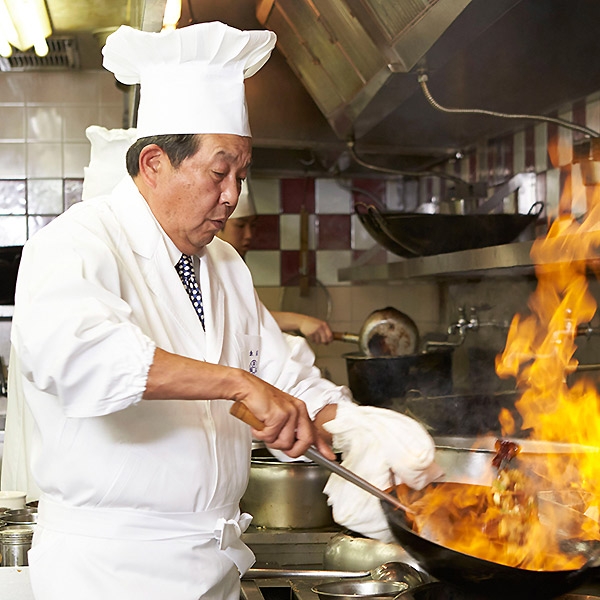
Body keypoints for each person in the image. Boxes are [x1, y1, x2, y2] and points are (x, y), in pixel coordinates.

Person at [4, 21, 440, 600]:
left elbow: (283, 378)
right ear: (154, 163)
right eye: (219, 172)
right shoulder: (76, 243)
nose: (233, 195)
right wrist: (236, 383)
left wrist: (355, 426)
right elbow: (85, 358)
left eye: (241, 174)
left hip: (213, 568)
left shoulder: (225, 265)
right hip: (111, 573)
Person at [217, 180, 334, 344]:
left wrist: (301, 322)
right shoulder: (208, 265)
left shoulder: (234, 266)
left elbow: (249, 315)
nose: (249, 235)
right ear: (218, 224)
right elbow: (241, 318)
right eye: (240, 226)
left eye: (253, 225)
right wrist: (300, 321)